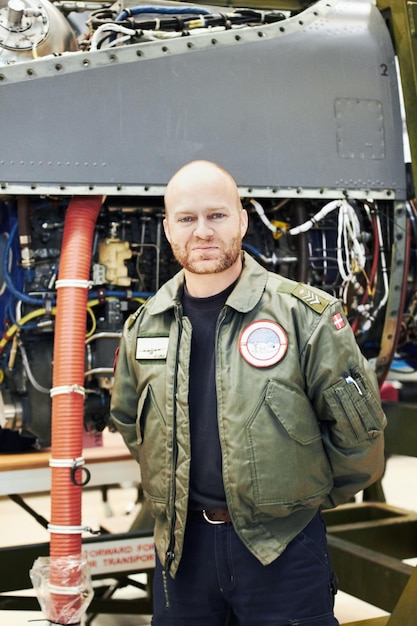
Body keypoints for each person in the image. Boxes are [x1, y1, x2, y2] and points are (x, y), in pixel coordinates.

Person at [110, 160, 386, 625]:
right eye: (187, 219)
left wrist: (297, 502)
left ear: (241, 219)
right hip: (182, 554)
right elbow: (130, 425)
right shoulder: (145, 326)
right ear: (168, 230)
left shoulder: (305, 317)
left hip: (284, 549)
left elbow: (359, 439)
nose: (202, 232)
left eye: (217, 215)